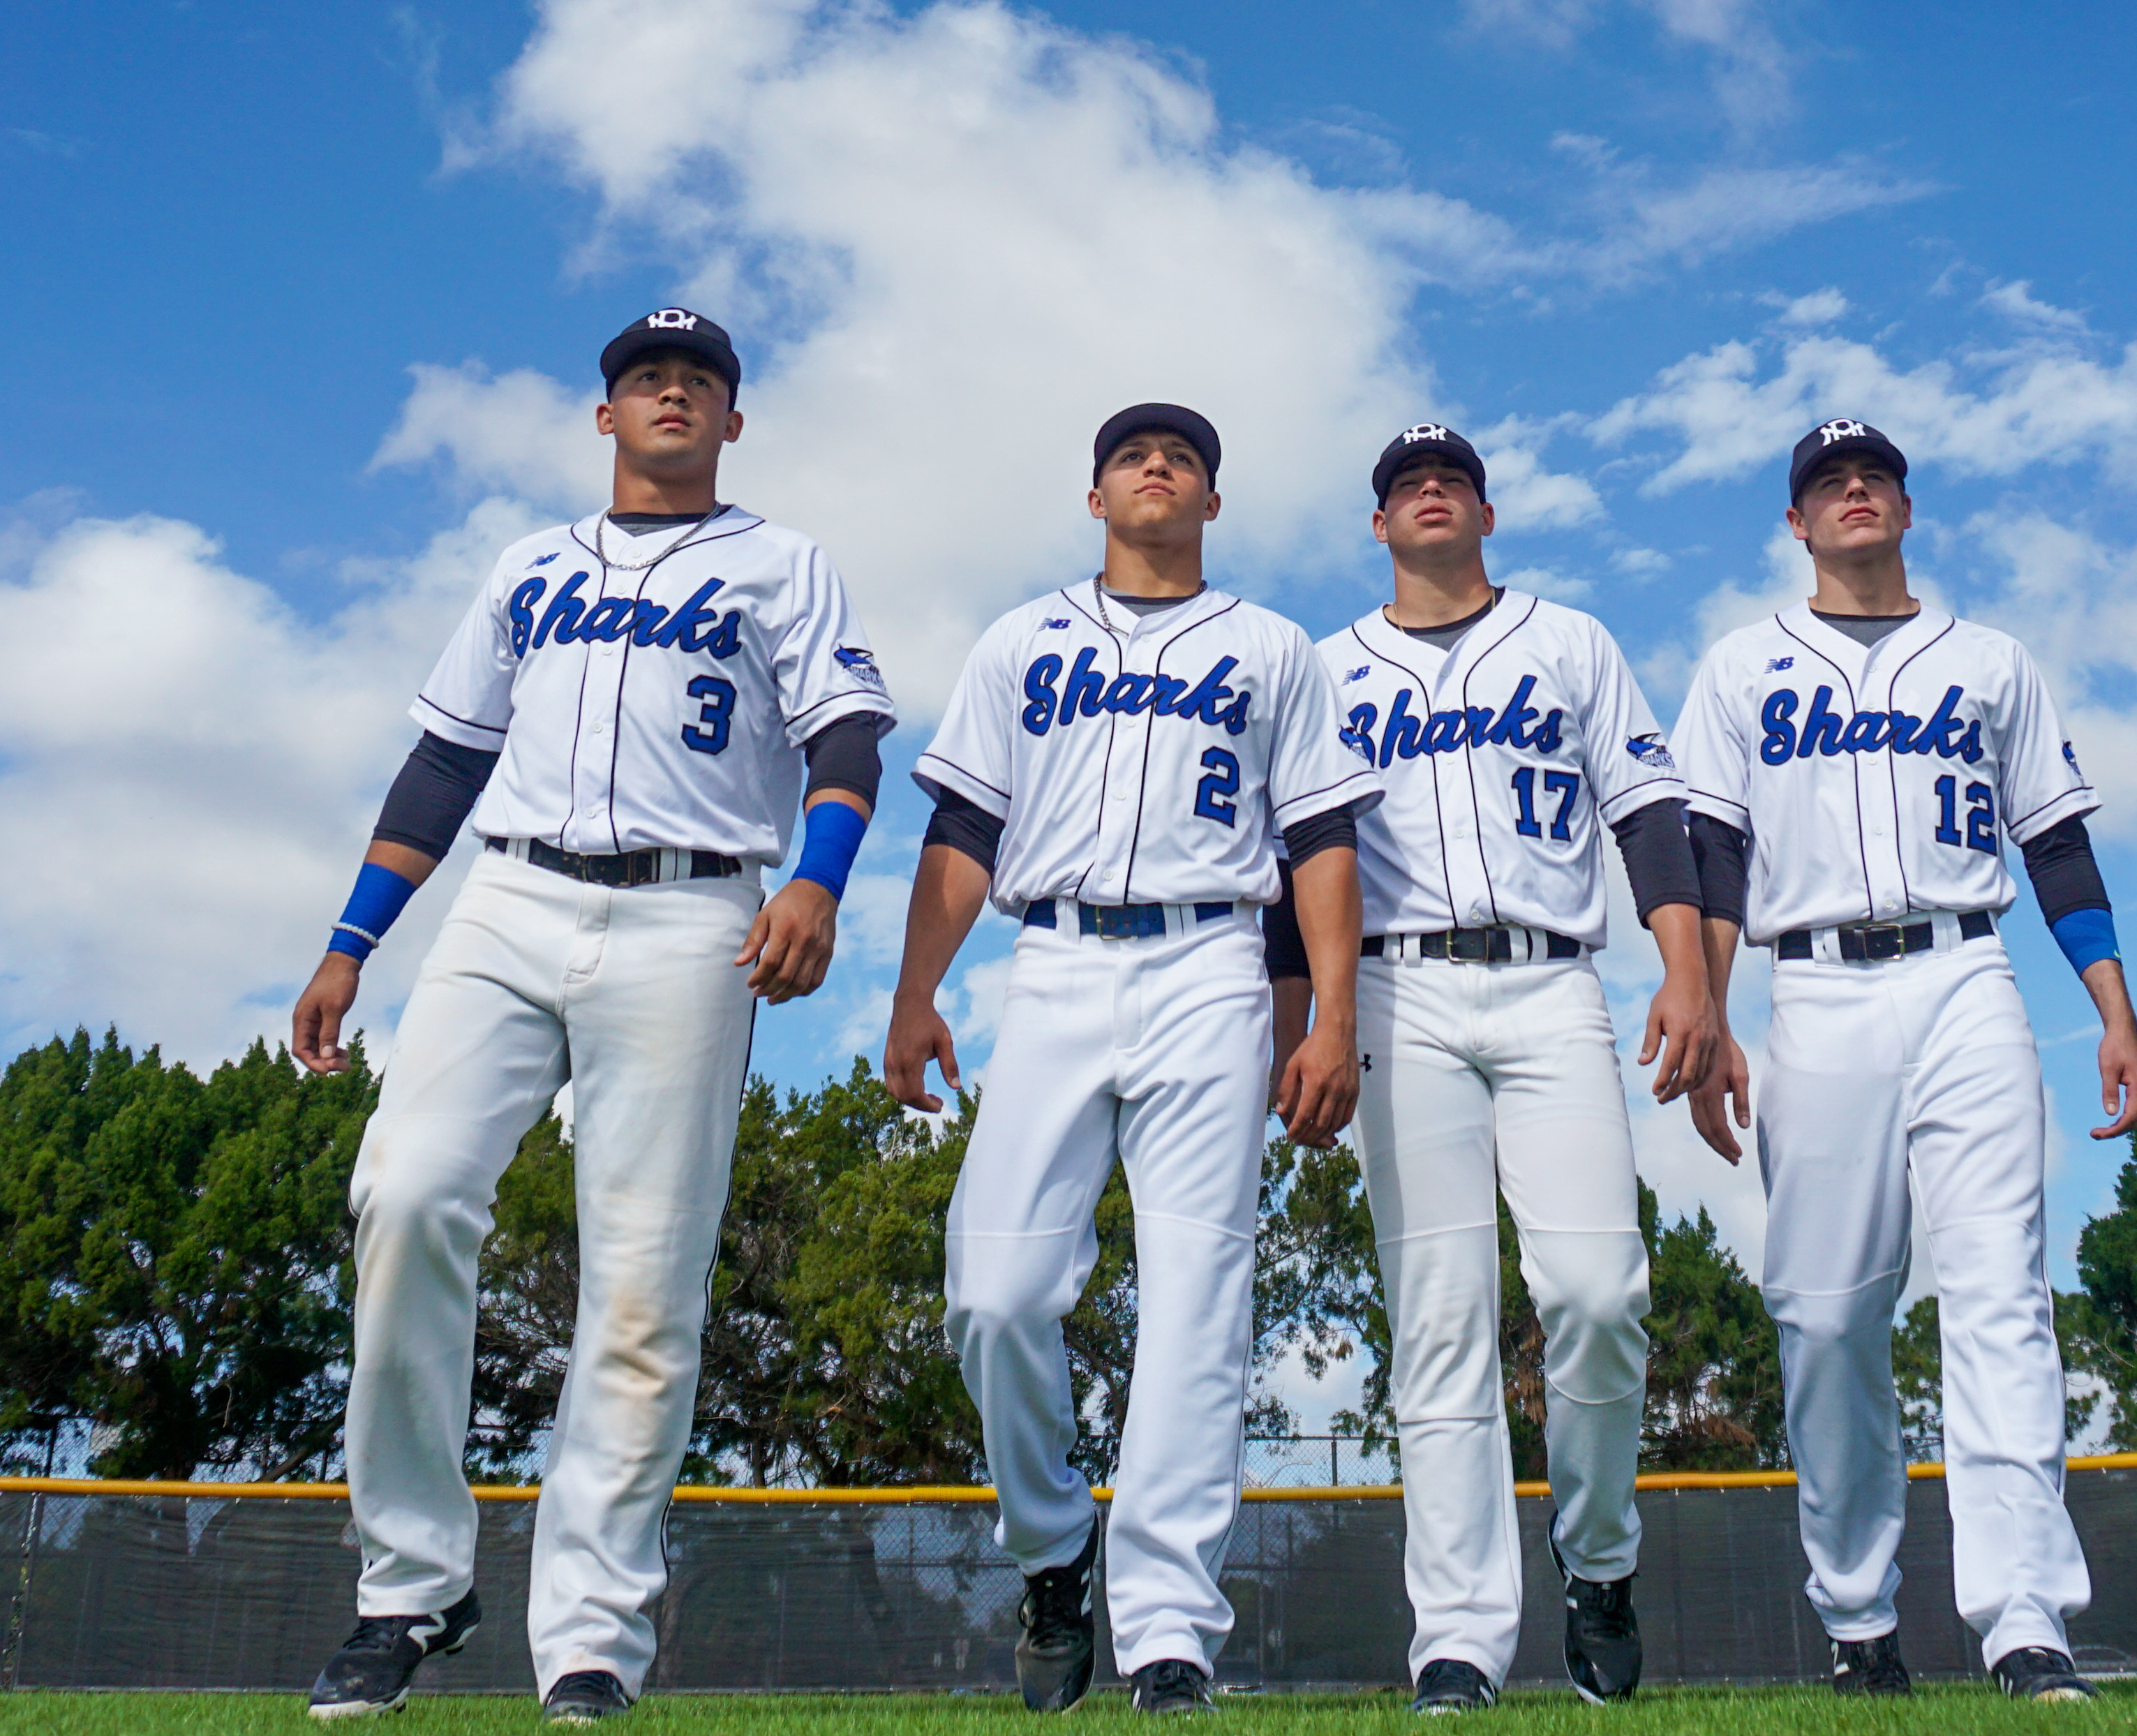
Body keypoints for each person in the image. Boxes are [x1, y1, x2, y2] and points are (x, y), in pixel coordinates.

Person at [292, 310, 894, 1723]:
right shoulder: (531, 564)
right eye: (643, 377)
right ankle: (411, 1582)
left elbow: (849, 737)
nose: (670, 389)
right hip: (506, 900)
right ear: (606, 414)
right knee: (405, 1191)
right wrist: (348, 940)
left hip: (694, 916)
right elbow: (446, 757)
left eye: (698, 379)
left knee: (640, 1284)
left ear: (732, 421)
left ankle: (591, 1634)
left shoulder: (783, 561)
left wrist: (814, 881)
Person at [882, 405, 1380, 1716]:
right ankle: (1053, 1548)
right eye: (1132, 457)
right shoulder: (1021, 639)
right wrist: (914, 994)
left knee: (1198, 1304)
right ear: (1093, 495)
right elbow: (962, 822)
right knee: (991, 1290)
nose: (1158, 468)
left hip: (1211, 960)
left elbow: (1321, 841)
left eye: (1185, 461)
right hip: (1050, 961)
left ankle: (1169, 1629)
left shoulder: (1271, 647)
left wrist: (1331, 1016)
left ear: (1212, 504)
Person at [1672, 419, 2137, 1704]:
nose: (1854, 491)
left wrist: (2112, 1007)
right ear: (1798, 524)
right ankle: (1857, 1611)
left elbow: (2055, 844)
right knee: (1827, 1317)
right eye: (1828, 483)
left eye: (1872, 474)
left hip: (1966, 972)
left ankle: (2025, 1617)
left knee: (2002, 1291)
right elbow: (1711, 857)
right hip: (1814, 990)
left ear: (1904, 503)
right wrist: (1707, 1014)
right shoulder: (1739, 667)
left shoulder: (1991, 661)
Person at [1267, 424, 1716, 1712]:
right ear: (1378, 525)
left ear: (1485, 510)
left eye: (1450, 478)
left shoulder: (1572, 642)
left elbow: (1648, 815)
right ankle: (1456, 1635)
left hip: (1551, 981)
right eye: (1406, 482)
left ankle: (1601, 1559)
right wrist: (1305, 1020)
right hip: (1397, 992)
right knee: (1442, 1320)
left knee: (1596, 1290)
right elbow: (1294, 859)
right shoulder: (1322, 667)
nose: (1428, 490)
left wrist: (1684, 971)